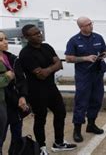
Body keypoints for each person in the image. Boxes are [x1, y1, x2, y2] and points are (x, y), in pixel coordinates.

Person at [18, 24, 76, 154]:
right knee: (40, 118)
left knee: (60, 112)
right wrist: (52, 67)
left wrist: (48, 69)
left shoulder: (47, 47)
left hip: (51, 88)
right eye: (35, 34)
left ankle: (59, 142)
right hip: (36, 91)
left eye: (39, 32)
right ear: (27, 37)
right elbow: (41, 75)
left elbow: (59, 64)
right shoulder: (25, 54)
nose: (39, 34)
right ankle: (41, 147)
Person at [65, 17, 106, 143]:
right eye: (88, 24)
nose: (91, 26)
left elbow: (105, 51)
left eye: (91, 23)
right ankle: (77, 130)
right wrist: (85, 58)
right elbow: (68, 58)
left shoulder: (98, 37)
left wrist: (103, 55)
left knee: (97, 100)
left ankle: (91, 124)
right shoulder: (74, 41)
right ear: (82, 27)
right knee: (81, 102)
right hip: (84, 76)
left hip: (97, 74)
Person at [0, 31, 29, 155]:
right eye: (1, 40)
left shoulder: (11, 58)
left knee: (17, 131)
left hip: (15, 101)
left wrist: (22, 96)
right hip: (2, 103)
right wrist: (6, 77)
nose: (6, 42)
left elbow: (21, 78)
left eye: (5, 38)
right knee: (1, 134)